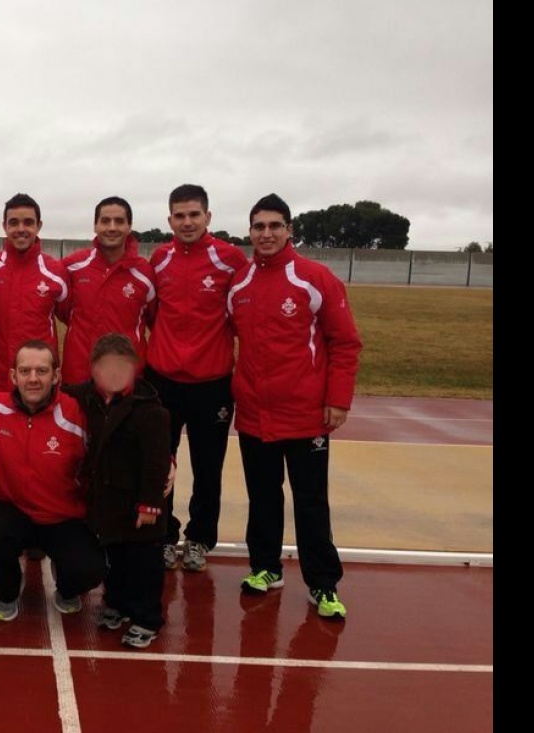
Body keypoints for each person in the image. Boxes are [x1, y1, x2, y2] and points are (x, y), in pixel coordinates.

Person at [227, 193, 362, 620]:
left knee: (310, 502)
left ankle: (323, 584)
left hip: (305, 417)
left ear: (289, 230)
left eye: (274, 226)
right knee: (263, 498)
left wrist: (337, 400)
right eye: (258, 226)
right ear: (249, 232)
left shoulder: (314, 278)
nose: (266, 234)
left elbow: (345, 343)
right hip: (253, 415)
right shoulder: (240, 284)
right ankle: (265, 568)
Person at [0, 341, 104, 621]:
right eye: (25, 371)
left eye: (42, 371)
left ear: (56, 376)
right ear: (13, 376)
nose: (33, 378)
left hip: (63, 516)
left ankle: (66, 583)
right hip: (14, 509)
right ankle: (8, 592)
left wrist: (166, 461)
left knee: (89, 569)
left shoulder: (77, 414)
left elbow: (119, 434)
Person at [145, 184, 249, 572]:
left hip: (212, 383)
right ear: (169, 219)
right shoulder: (159, 258)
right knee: (160, 462)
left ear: (208, 217)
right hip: (164, 380)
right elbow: (154, 313)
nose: (186, 222)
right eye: (179, 215)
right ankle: (163, 535)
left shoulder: (231, 259)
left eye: (194, 215)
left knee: (208, 466)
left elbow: (241, 314)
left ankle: (200, 538)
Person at [68, 333, 172, 648]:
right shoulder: (87, 397)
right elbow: (59, 393)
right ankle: (117, 603)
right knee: (115, 557)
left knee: (143, 563)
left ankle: (146, 617)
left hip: (140, 501)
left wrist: (149, 505)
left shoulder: (151, 412)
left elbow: (157, 464)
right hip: (107, 499)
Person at [59, 196, 156, 385]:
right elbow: (60, 306)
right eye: (105, 221)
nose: (112, 228)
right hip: (78, 378)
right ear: (95, 226)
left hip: (126, 382)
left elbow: (154, 320)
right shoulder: (72, 267)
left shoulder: (146, 274)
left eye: (119, 221)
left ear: (129, 226)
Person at [0, 193, 69, 391]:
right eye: (14, 223)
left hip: (39, 382)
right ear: (4, 226)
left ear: (39, 226)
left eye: (28, 222)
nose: (21, 229)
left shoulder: (55, 272)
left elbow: (71, 316)